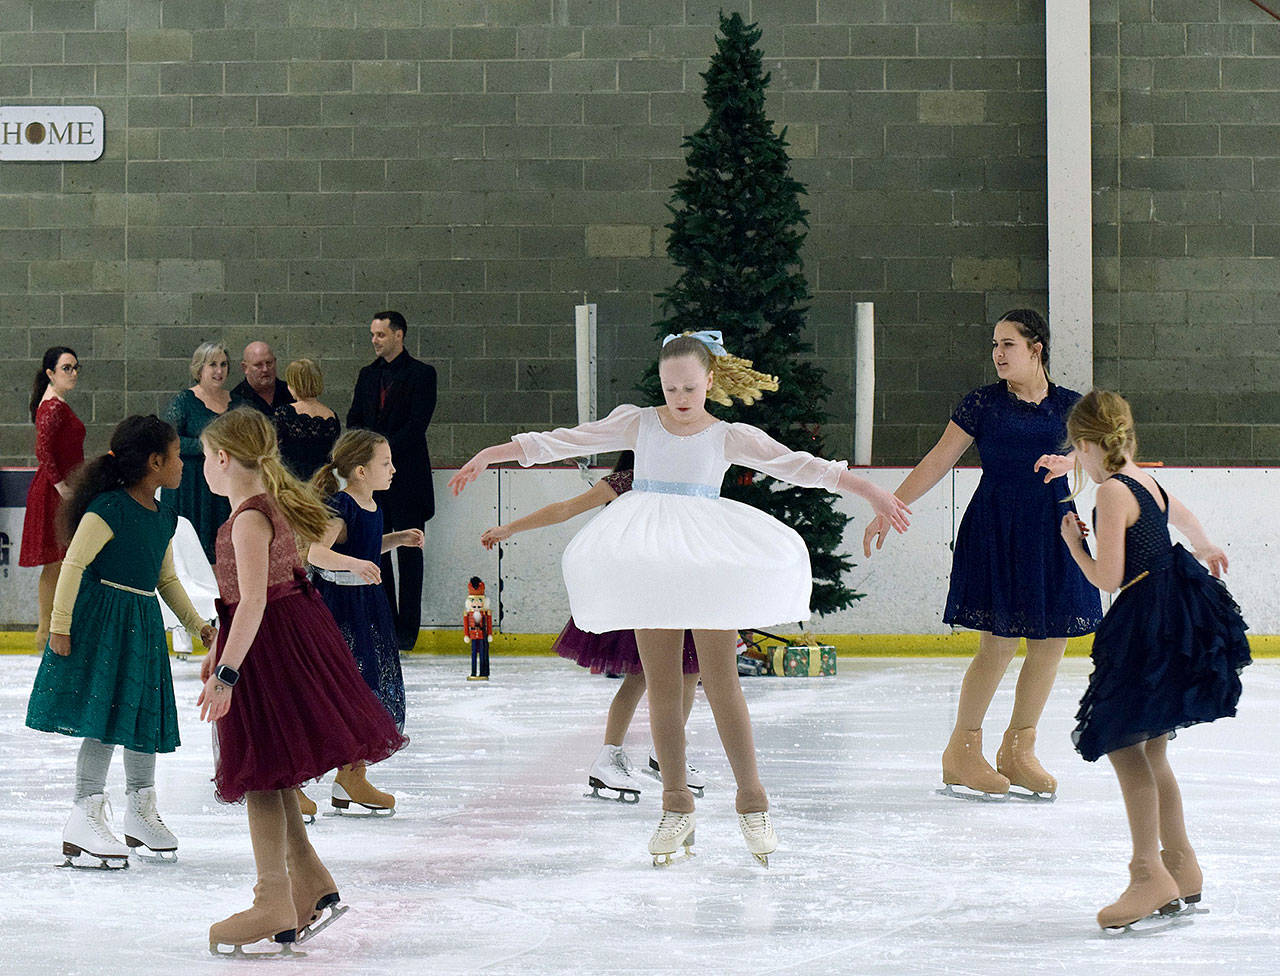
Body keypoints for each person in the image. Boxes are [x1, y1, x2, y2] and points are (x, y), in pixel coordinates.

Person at [450, 332, 910, 866]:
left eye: (690, 387)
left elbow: (801, 465)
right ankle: (675, 804)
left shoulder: (729, 434)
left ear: (710, 381)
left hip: (706, 558)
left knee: (721, 682)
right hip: (647, 558)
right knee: (663, 688)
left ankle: (752, 800)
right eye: (671, 389)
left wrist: (874, 491)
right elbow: (564, 440)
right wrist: (492, 453)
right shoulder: (639, 421)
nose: (681, 398)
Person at [862, 309, 1102, 801]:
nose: (997, 353)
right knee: (997, 643)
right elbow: (937, 459)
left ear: (1037, 349)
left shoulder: (1072, 407)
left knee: (1051, 643)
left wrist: (1071, 458)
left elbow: (1104, 455)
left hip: (1053, 528)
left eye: (1008, 344)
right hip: (997, 528)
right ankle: (962, 752)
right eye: (994, 344)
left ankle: (1018, 750)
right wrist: (890, 504)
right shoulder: (982, 405)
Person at [197, 408, 407, 955]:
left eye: (204, 457)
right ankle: (309, 883)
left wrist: (225, 673)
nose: (203, 468)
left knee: (262, 774)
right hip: (290, 637)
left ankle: (272, 898)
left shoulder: (246, 518)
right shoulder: (272, 503)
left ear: (222, 458)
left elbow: (252, 603)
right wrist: (220, 650)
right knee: (274, 770)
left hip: (268, 647)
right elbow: (250, 600)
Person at [1059, 390, 1250, 931]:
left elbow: (1108, 577)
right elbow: (1182, 517)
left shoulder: (1112, 494)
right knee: (1154, 749)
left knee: (1123, 742)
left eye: (1078, 454)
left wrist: (1075, 545)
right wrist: (1206, 545)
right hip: (1177, 611)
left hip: (1147, 618)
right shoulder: (1146, 479)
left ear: (1087, 445)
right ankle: (1182, 864)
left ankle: (1148, 874)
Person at [25, 415, 215, 868]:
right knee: (104, 718)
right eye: (175, 457)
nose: (183, 465)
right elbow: (71, 566)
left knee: (141, 717)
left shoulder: (165, 517)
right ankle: (84, 812)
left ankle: (140, 811)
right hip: (102, 624)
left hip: (143, 624)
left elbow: (166, 579)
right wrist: (60, 626)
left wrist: (198, 626)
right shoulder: (107, 509)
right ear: (154, 462)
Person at [479, 451, 704, 803]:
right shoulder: (626, 482)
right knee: (641, 675)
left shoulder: (689, 482)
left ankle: (667, 753)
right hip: (639, 590)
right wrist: (509, 527)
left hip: (680, 589)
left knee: (690, 672)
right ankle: (609, 756)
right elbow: (565, 509)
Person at [306, 429, 422, 816]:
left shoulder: (373, 505)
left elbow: (366, 546)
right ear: (359, 470)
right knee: (328, 690)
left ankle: (350, 776)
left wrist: (397, 539)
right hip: (338, 608)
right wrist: (355, 564)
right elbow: (316, 552)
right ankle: (294, 780)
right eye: (385, 463)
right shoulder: (342, 507)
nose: (393, 469)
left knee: (366, 686)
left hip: (368, 608)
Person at [347, 311, 437, 651]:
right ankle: (383, 626)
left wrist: (380, 455)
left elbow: (417, 425)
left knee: (410, 553)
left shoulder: (422, 374)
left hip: (408, 476)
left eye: (381, 335)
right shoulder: (368, 375)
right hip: (372, 480)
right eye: (373, 334)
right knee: (375, 550)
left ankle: (407, 632)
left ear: (399, 335)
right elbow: (355, 417)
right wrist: (368, 458)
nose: (374, 340)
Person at [21, 347, 85, 653]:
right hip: (53, 493)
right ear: (50, 373)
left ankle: (51, 626)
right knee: (56, 562)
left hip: (60, 489)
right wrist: (63, 489)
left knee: (61, 561)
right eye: (66, 368)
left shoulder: (57, 404)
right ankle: (45, 627)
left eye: (75, 368)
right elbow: (43, 451)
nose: (73, 373)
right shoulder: (52, 408)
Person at [162, 341, 233, 563]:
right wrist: (205, 447)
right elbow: (168, 440)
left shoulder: (238, 402)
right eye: (213, 364)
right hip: (191, 486)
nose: (219, 370)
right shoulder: (184, 401)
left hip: (223, 485)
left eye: (223, 364)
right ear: (199, 368)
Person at [273, 358, 340, 481]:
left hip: (292, 484)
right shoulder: (332, 416)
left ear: (294, 384)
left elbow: (276, 452)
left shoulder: (284, 413)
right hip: (322, 484)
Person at [230, 341, 293, 416]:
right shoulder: (235, 401)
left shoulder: (292, 392)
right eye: (258, 365)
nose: (265, 369)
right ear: (245, 368)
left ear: (275, 362)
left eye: (269, 363)